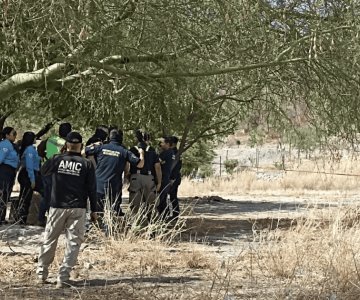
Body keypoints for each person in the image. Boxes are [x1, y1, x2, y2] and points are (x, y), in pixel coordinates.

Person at [36, 131, 98, 288]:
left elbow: (43, 171)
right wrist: (94, 210)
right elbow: (92, 188)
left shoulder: (57, 159)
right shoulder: (87, 164)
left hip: (57, 206)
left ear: (66, 145)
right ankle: (62, 278)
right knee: (73, 243)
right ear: (81, 146)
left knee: (49, 239)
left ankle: (41, 274)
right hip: (78, 208)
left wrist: (58, 153)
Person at [85, 129, 144, 216]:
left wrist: (95, 144)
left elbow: (84, 151)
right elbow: (140, 164)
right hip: (114, 188)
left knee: (97, 213)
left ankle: (97, 229)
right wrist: (142, 153)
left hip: (98, 186)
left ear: (109, 137)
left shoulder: (101, 147)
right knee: (113, 214)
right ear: (121, 138)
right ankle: (112, 228)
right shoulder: (124, 151)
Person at [37, 123, 72, 226]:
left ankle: (41, 218)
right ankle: (55, 220)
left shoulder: (50, 139)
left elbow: (39, 149)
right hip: (59, 172)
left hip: (46, 169)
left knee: (47, 196)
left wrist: (45, 156)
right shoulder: (67, 143)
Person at [128, 130, 162, 223]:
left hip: (136, 177)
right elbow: (157, 167)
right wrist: (159, 182)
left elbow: (127, 164)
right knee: (152, 205)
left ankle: (136, 227)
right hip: (149, 179)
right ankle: (153, 227)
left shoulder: (133, 149)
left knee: (135, 205)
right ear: (148, 139)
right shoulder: (152, 150)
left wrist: (128, 175)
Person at [14, 132, 42, 224]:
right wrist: (32, 179)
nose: (36, 139)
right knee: (25, 197)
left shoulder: (31, 149)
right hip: (28, 174)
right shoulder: (30, 149)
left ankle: (21, 218)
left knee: (25, 197)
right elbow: (29, 166)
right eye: (34, 138)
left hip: (28, 174)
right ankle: (21, 218)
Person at [0, 127, 19, 224]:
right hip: (4, 171)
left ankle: (2, 217)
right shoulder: (5, 144)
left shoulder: (11, 145)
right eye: (13, 133)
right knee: (3, 193)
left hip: (10, 171)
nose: (15, 135)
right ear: (7, 135)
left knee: (6, 194)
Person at [157, 136, 175, 219]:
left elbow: (157, 163)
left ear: (167, 144)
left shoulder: (166, 153)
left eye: (162, 143)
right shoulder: (171, 153)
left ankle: (162, 216)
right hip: (166, 178)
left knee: (161, 199)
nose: (160, 144)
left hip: (163, 178)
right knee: (163, 199)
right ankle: (164, 216)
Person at [168, 136, 182, 221]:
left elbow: (177, 167)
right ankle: (174, 213)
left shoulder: (174, 153)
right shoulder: (175, 152)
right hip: (175, 177)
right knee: (172, 196)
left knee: (173, 196)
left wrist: (172, 178)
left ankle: (175, 214)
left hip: (173, 178)